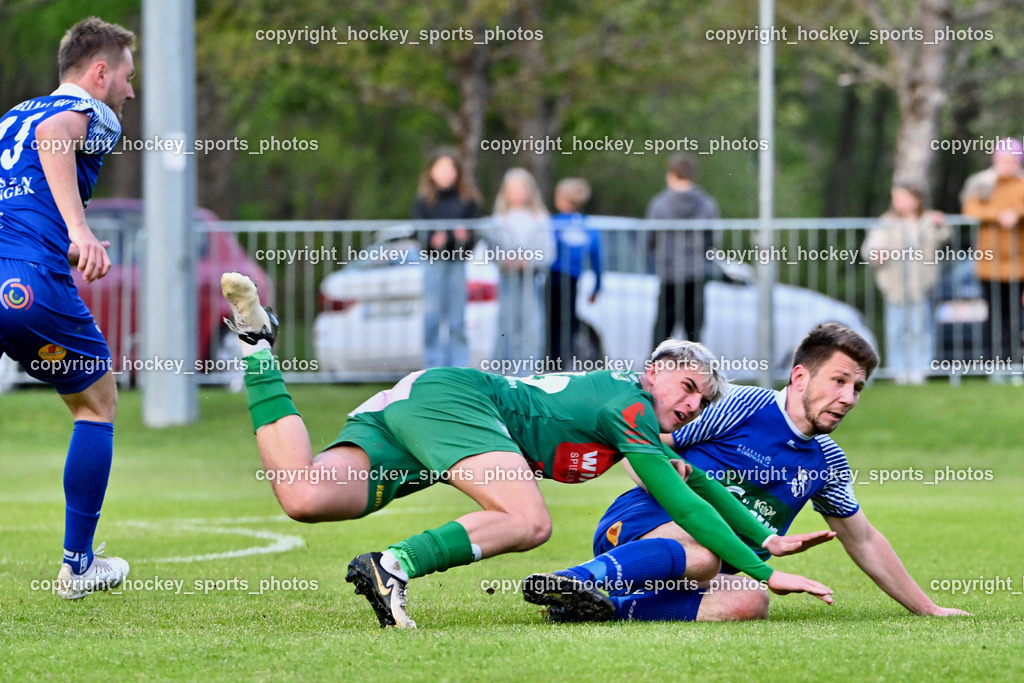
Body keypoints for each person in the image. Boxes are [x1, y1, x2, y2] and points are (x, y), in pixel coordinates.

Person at [219, 272, 834, 628]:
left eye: (704, 401)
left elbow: (693, 481)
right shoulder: (629, 406)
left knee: (304, 495)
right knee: (529, 520)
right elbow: (681, 501)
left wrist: (762, 536)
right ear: (655, 371)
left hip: (429, 404)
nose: (694, 404)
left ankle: (256, 345)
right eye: (689, 387)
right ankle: (395, 566)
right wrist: (764, 573)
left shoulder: (631, 417)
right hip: (458, 401)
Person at [527, 323, 971, 622]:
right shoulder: (742, 404)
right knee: (703, 550)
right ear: (800, 377)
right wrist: (663, 477)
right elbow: (641, 441)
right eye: (838, 381)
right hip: (638, 528)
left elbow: (865, 540)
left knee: (749, 599)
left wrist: (927, 609)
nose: (849, 397)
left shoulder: (829, 463)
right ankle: (578, 577)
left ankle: (602, 608)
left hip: (708, 565)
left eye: (857, 387)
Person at [0, 16, 134, 599]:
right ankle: (78, 567)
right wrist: (79, 230)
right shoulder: (90, 110)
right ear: (100, 73)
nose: (131, 91)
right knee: (96, 404)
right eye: (128, 76)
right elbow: (56, 136)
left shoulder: (10, 117)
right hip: (28, 282)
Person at [862, 184, 950, 384]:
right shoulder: (886, 221)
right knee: (896, 330)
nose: (897, 202)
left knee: (920, 329)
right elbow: (872, 244)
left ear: (916, 200)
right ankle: (899, 370)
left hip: (921, 285)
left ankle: (921, 369)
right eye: (895, 198)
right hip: (894, 285)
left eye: (901, 197)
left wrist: (940, 224)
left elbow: (944, 237)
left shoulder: (928, 220)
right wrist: (876, 253)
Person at [412, 148, 481, 368]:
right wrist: (431, 240)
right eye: (440, 168)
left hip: (457, 263)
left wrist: (466, 237)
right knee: (432, 316)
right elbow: (417, 232)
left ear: (457, 172)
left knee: (457, 319)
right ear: (431, 172)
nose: (445, 173)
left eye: (450, 168)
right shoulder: (423, 201)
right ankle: (433, 366)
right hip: (433, 263)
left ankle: (458, 367)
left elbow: (475, 234)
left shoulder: (468, 200)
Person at [960, 138, 1024, 362]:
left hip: (1019, 265)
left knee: (1015, 317)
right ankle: (995, 362)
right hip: (989, 265)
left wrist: (1016, 213)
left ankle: (1014, 362)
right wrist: (999, 215)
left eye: (1012, 160)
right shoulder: (981, 183)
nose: (1008, 165)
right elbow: (970, 208)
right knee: (995, 316)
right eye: (1004, 160)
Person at [646, 153, 718, 343]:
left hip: (669, 272)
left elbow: (650, 239)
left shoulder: (660, 204)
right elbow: (711, 239)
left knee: (663, 332)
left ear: (671, 174)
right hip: (697, 272)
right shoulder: (707, 204)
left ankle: (659, 363)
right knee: (693, 333)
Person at [490, 168, 554, 367]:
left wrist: (529, 261)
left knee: (531, 326)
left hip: (531, 281)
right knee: (506, 325)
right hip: (507, 279)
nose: (518, 193)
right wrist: (504, 261)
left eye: (522, 188)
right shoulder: (498, 219)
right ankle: (502, 370)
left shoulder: (540, 217)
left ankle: (527, 371)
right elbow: (491, 251)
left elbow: (548, 252)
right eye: (513, 189)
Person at [547, 177, 602, 364]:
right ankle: (562, 360)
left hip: (553, 277)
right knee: (568, 321)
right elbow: (597, 259)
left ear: (562, 198)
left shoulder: (554, 223)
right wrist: (597, 286)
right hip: (573, 279)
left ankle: (552, 360)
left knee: (552, 322)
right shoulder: (588, 225)